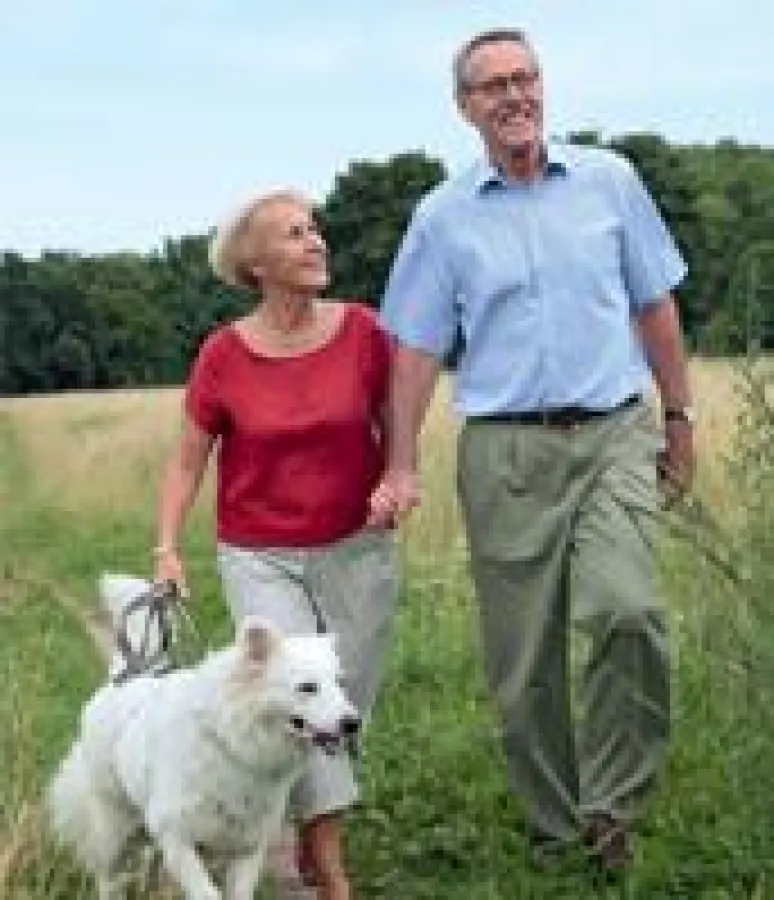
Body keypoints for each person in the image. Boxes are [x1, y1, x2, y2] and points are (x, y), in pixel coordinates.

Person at [369, 28, 695, 872]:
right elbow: (414, 351)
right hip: (506, 452)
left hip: (615, 431)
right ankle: (556, 833)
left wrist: (681, 417)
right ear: (465, 107)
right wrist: (400, 462)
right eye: (492, 86)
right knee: (525, 663)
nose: (514, 96)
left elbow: (655, 304)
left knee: (627, 611)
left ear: (543, 88)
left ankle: (614, 809)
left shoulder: (610, 182)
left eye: (526, 78)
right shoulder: (442, 219)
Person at [153, 190, 398, 900]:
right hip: (259, 553)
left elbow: (396, 422)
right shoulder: (223, 356)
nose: (316, 242)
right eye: (295, 234)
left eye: (315, 230)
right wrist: (166, 546)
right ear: (256, 263)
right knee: (298, 692)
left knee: (343, 707)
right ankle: (325, 865)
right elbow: (187, 459)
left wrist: (399, 476)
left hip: (359, 548)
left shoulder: (364, 331)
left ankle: (293, 833)